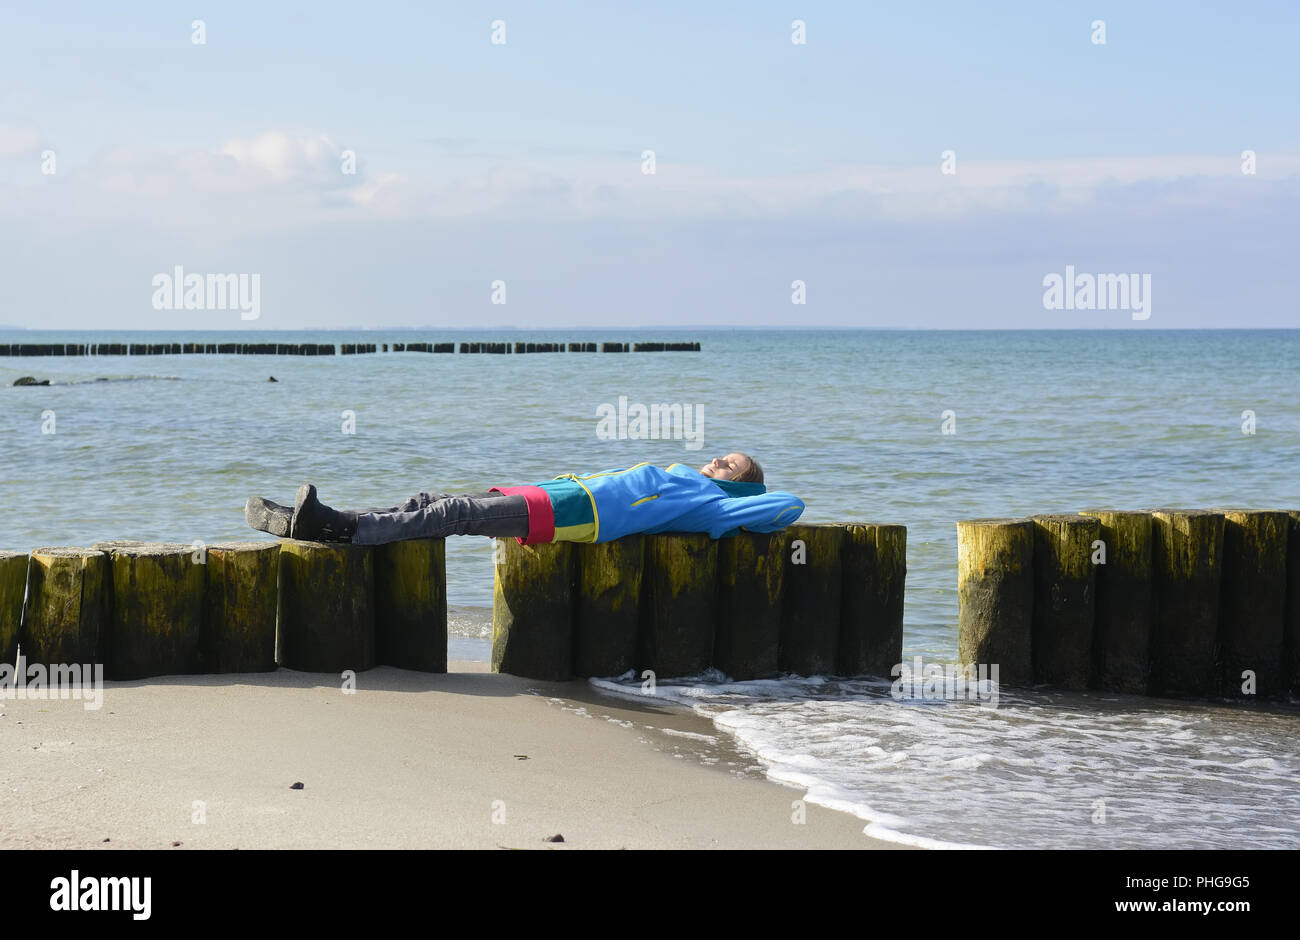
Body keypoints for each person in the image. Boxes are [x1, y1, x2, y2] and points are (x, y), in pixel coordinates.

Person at [244, 452, 804, 546]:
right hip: (562, 493)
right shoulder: (693, 480)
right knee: (434, 499)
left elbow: (787, 505)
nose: (712, 463)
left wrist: (738, 492)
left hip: (576, 514)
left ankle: (339, 530)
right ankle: (312, 521)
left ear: (739, 483)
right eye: (717, 459)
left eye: (725, 464)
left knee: (453, 516)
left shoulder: (715, 505)